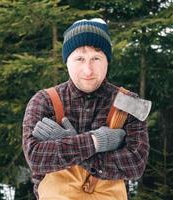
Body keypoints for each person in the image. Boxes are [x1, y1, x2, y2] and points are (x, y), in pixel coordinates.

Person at [22, 18, 149, 200]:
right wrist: (96, 141)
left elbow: (135, 165)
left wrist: (68, 143)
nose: (88, 70)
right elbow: (36, 158)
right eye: (79, 59)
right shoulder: (44, 101)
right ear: (67, 61)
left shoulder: (130, 101)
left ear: (107, 61)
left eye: (96, 58)